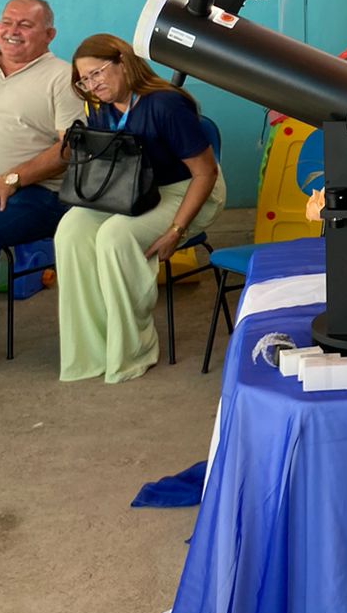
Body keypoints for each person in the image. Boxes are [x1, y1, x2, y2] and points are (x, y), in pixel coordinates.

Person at [55, 35, 226, 384]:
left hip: (187, 189)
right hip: (133, 189)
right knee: (71, 230)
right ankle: (90, 352)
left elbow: (205, 173)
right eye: (84, 80)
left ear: (123, 61)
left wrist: (176, 231)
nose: (92, 85)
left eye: (97, 73)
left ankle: (132, 350)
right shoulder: (100, 108)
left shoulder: (165, 104)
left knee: (116, 236)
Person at [0, 0, 75, 368]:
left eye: (25, 25)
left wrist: (12, 178)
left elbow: (69, 149)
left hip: (36, 194)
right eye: (7, 22)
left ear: (49, 34)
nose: (12, 31)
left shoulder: (62, 77)